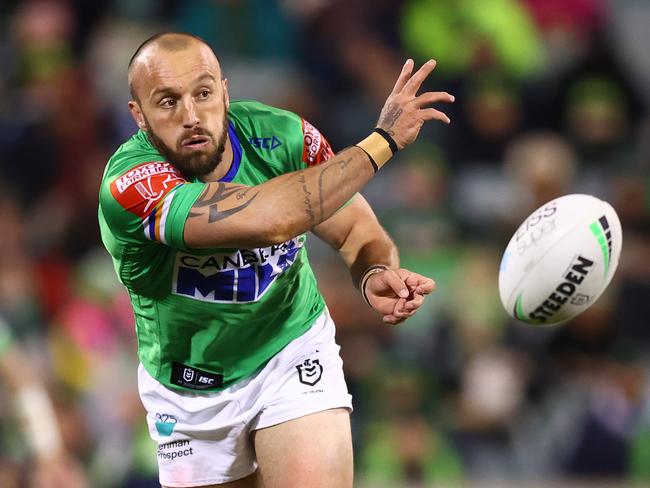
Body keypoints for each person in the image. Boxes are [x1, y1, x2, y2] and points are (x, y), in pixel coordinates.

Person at [98, 31, 454, 488]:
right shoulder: (131, 186)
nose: (191, 116)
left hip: (292, 350)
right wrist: (382, 141)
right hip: (190, 390)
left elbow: (352, 227)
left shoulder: (282, 137)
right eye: (167, 102)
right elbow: (273, 219)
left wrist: (374, 272)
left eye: (203, 94)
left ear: (225, 92)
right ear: (139, 116)